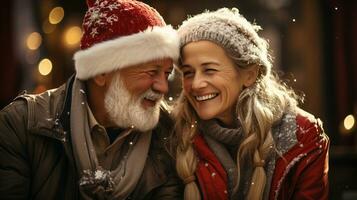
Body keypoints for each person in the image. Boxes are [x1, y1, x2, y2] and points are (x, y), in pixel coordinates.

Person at [0, 0, 183, 199]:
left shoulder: (169, 135)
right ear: (101, 72)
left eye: (167, 73)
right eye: (151, 72)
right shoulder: (21, 126)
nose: (163, 87)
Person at [173, 8, 329, 200]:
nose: (196, 84)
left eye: (210, 70)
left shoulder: (302, 134)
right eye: (188, 72)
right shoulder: (172, 133)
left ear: (249, 74)